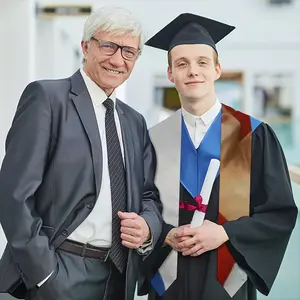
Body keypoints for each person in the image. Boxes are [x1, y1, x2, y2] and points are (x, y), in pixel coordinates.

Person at [0, 6, 162, 300]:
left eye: (129, 52)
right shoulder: (48, 100)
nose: (117, 60)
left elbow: (148, 194)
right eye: (108, 46)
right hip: (59, 271)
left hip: (118, 276)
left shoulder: (134, 122)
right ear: (86, 47)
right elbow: (14, 195)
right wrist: (44, 273)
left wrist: (148, 227)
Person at [138, 13, 298, 300]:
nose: (192, 71)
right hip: (169, 280)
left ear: (217, 69)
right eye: (182, 64)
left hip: (227, 282)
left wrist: (226, 233)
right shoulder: (152, 139)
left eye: (202, 62)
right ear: (171, 74)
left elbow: (279, 213)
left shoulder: (252, 135)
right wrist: (164, 234)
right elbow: (140, 206)